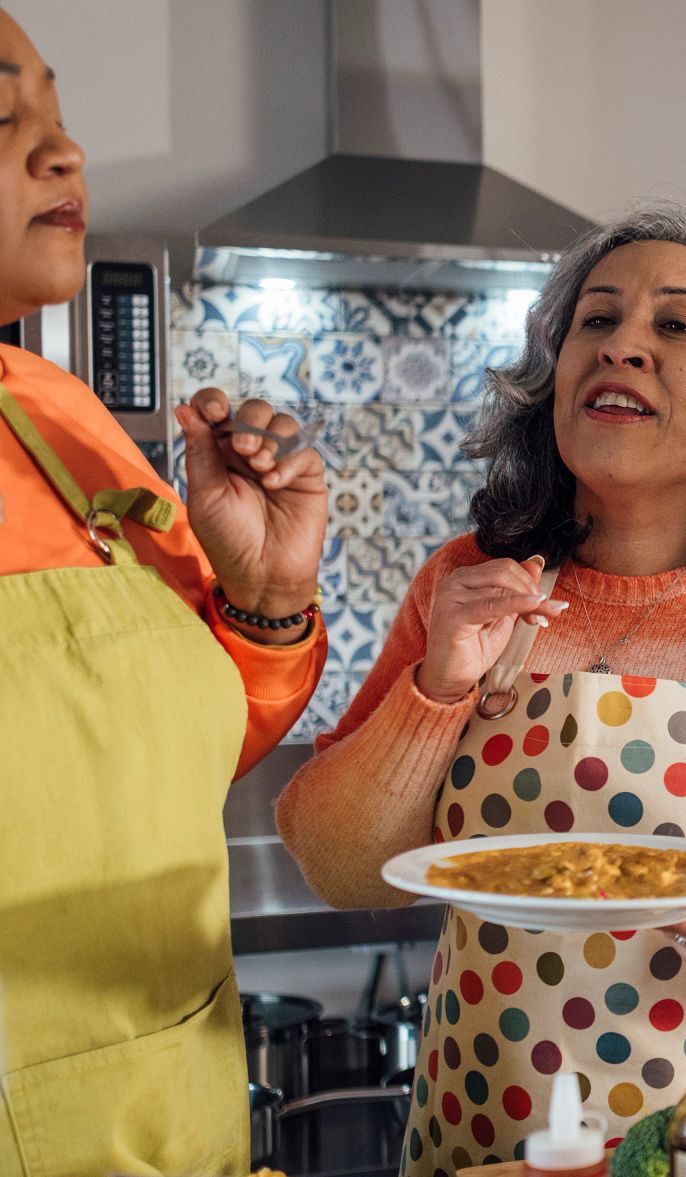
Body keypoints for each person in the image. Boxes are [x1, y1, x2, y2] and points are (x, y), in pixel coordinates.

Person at [276, 206, 686, 1175]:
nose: (623, 345)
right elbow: (337, 868)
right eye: (596, 320)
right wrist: (438, 683)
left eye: (673, 326)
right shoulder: (464, 581)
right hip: (495, 1127)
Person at [0, 10, 327, 1173]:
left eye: (58, 112)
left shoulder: (61, 415)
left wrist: (268, 602)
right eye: (4, 116)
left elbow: (172, 752)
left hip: (175, 1124)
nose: (66, 153)